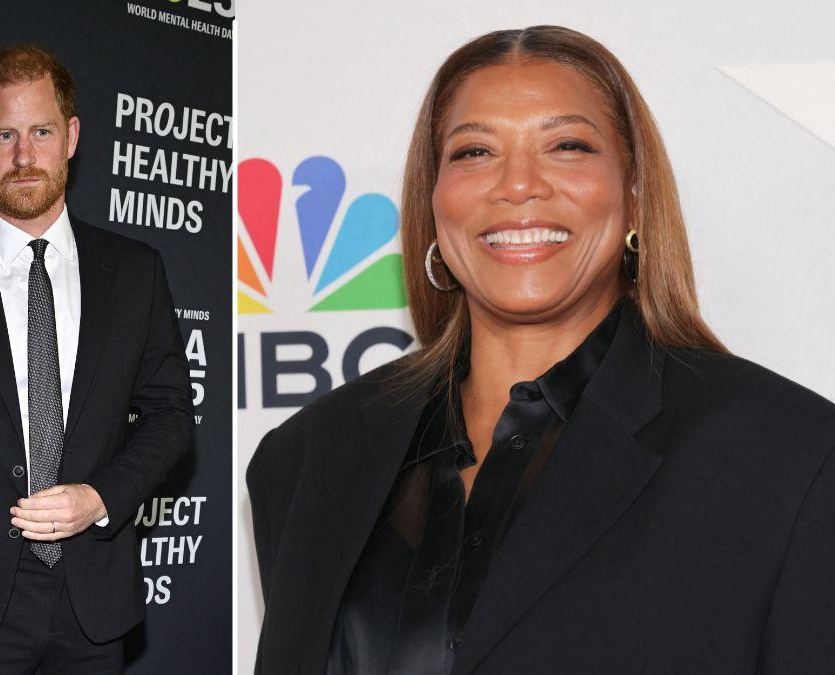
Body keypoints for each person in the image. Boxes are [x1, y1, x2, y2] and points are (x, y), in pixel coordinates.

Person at [248, 25, 835, 675]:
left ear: (635, 194)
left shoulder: (789, 459)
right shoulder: (306, 457)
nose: (518, 184)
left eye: (567, 146)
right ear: (433, 201)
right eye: (475, 152)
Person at [0, 44, 194, 674]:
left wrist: (99, 498)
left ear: (71, 137)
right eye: (5, 135)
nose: (24, 156)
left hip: (93, 598)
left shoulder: (135, 272)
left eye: (41, 132)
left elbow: (171, 417)